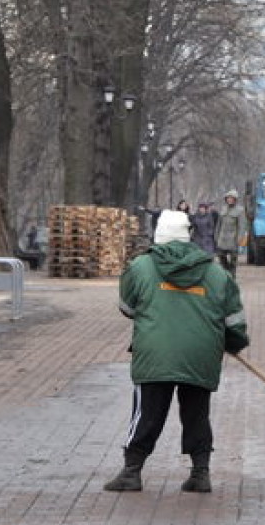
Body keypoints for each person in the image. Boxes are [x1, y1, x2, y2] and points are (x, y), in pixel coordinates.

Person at [102, 209, 249, 494]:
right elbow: (234, 319)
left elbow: (127, 308)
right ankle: (200, 474)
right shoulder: (216, 273)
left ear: (159, 235)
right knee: (196, 414)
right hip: (200, 354)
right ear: (188, 235)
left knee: (147, 413)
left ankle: (131, 472)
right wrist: (234, 342)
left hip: (156, 352)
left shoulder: (140, 267)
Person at [215, 189, 245, 276]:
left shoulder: (240, 210)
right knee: (221, 257)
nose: (229, 200)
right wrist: (216, 236)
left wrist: (239, 239)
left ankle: (232, 277)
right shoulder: (223, 209)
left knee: (233, 261)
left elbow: (241, 226)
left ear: (235, 199)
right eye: (228, 198)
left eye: (231, 198)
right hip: (222, 239)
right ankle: (226, 273)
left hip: (233, 239)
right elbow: (218, 224)